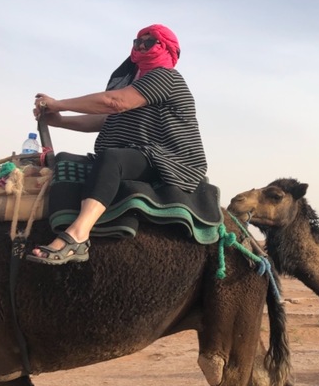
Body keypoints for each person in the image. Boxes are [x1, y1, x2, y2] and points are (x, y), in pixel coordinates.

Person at [27, 24, 207, 265]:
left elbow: (114, 103)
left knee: (112, 159)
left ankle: (78, 235)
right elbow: (106, 118)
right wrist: (59, 121)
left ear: (165, 47)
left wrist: (59, 104)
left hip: (169, 158)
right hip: (139, 153)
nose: (141, 46)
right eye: (137, 42)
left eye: (149, 41)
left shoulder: (166, 77)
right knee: (69, 160)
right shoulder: (134, 83)